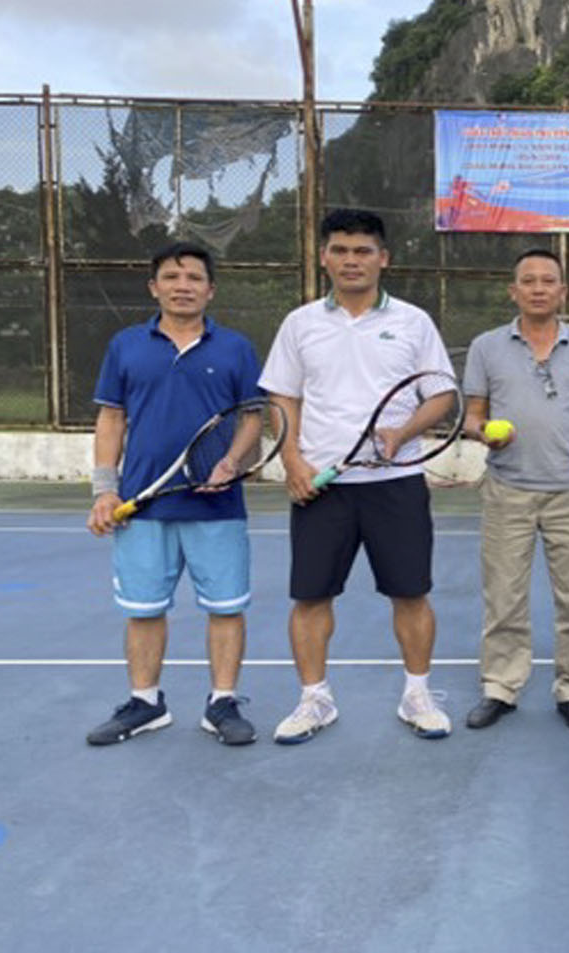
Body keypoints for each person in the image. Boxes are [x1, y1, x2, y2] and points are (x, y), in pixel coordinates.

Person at [260, 208, 455, 744]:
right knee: (310, 598)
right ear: (325, 257)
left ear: (382, 259)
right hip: (322, 487)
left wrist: (402, 431)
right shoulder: (300, 323)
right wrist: (292, 461)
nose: (352, 260)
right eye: (341, 250)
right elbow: (282, 398)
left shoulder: (413, 322)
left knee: (411, 594)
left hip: (397, 483)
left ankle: (417, 695)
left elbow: (441, 395)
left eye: (363, 251)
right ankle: (314, 700)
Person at [86, 242, 262, 747]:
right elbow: (111, 418)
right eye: (171, 276)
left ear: (211, 289)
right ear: (154, 287)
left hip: (218, 506)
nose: (182, 286)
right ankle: (145, 703)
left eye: (193, 278)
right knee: (143, 610)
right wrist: (105, 490)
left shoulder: (235, 348)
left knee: (225, 607)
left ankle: (222, 703)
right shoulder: (125, 345)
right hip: (143, 506)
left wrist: (233, 463)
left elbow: (253, 418)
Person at [460, 248, 569, 733]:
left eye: (547, 281)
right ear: (513, 291)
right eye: (527, 281)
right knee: (504, 596)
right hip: (507, 490)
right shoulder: (486, 347)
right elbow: (472, 417)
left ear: (562, 292)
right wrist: (485, 434)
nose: (538, 288)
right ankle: (500, 687)